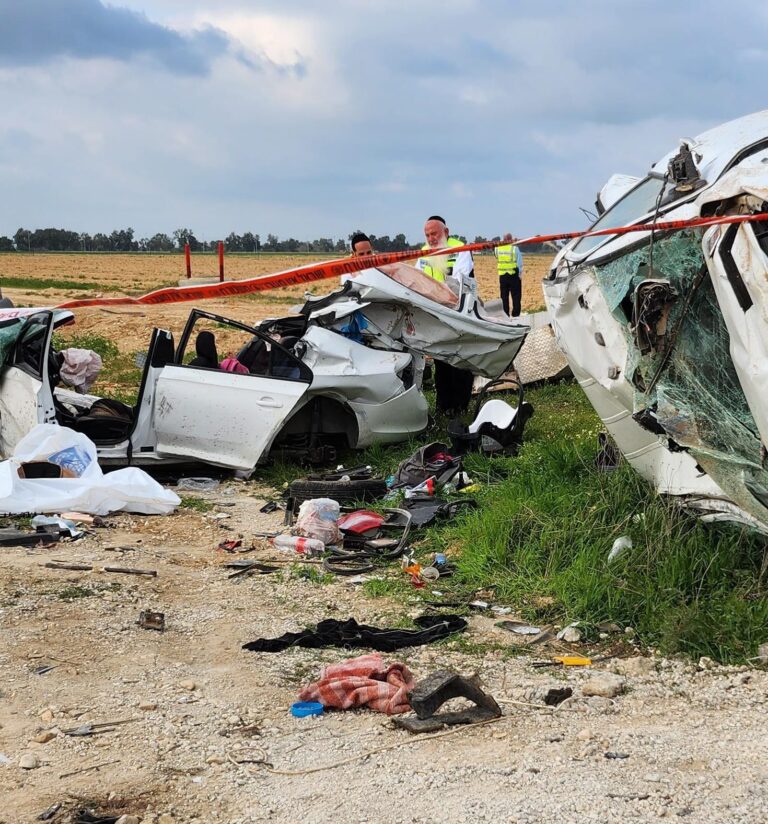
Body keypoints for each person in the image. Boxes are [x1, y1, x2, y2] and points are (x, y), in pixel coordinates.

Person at [416, 215, 475, 416]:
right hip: (435, 314)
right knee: (441, 360)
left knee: (460, 359)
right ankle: (443, 405)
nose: (431, 238)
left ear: (446, 232)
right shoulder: (424, 253)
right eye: (427, 235)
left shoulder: (460, 250)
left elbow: (459, 280)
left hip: (459, 313)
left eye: (434, 233)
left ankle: (460, 406)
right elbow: (417, 277)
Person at [495, 237, 523, 316]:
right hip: (513, 274)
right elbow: (519, 263)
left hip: (503, 275)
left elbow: (496, 256)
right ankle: (515, 314)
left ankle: (505, 314)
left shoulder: (497, 249)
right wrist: (520, 275)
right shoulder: (514, 249)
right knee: (516, 296)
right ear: (511, 239)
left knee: (504, 296)